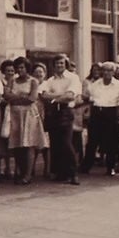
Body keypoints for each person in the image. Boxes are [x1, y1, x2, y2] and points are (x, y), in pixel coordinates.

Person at [38, 54, 81, 185]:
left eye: (62, 63)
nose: (59, 66)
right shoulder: (50, 80)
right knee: (55, 143)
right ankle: (60, 174)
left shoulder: (73, 78)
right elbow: (42, 95)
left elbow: (70, 96)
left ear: (66, 64)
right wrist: (59, 96)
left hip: (65, 111)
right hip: (53, 113)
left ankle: (73, 173)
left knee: (66, 143)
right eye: (57, 64)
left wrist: (53, 98)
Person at [4, 56, 46, 185]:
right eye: (17, 67)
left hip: (29, 115)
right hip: (15, 115)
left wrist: (16, 97)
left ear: (27, 68)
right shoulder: (12, 80)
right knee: (17, 144)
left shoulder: (33, 81)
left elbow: (32, 98)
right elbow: (6, 96)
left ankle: (28, 174)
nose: (19, 70)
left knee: (28, 144)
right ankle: (19, 170)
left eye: (22, 67)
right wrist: (22, 96)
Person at [80, 61, 119, 177]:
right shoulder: (96, 84)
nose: (106, 73)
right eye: (104, 70)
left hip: (111, 112)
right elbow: (88, 97)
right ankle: (86, 167)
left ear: (113, 72)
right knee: (92, 142)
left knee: (111, 143)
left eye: (109, 70)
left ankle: (110, 168)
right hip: (97, 112)